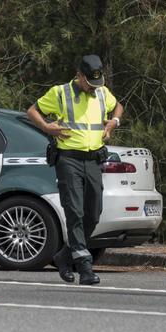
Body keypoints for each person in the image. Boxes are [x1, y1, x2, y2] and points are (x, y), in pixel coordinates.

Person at [27, 54, 124, 285]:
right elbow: (33, 110)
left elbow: (118, 106)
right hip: (68, 160)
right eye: (89, 83)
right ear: (79, 75)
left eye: (97, 83)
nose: (94, 88)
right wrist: (46, 127)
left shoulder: (101, 93)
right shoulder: (60, 93)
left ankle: (64, 256)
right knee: (75, 213)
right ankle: (85, 266)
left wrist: (114, 122)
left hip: (93, 160)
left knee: (94, 212)